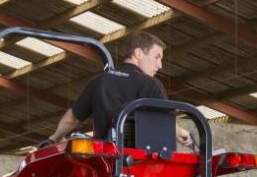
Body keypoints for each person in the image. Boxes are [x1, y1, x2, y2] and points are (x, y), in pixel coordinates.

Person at [45, 31, 193, 148]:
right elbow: (165, 121)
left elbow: (72, 117)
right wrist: (181, 133)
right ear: (138, 53)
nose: (160, 65)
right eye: (157, 57)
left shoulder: (98, 81)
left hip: (104, 162)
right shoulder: (150, 84)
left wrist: (55, 138)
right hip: (139, 165)